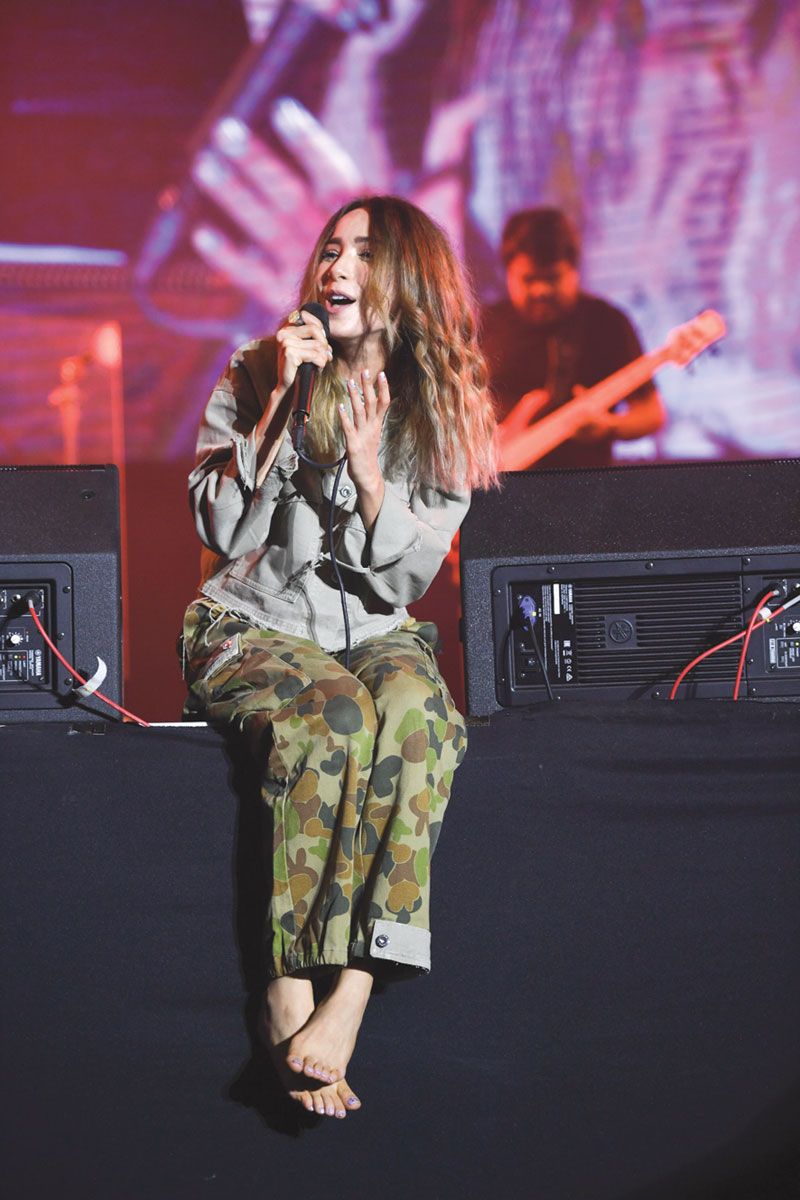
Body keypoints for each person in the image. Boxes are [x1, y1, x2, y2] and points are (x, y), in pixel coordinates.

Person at [180, 195, 496, 1120]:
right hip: (250, 623)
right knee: (334, 717)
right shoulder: (259, 367)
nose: (336, 266)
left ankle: (353, 988)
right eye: (329, 249)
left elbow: (406, 579)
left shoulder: (445, 403)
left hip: (374, 628)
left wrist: (366, 475)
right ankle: (288, 984)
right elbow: (216, 525)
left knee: (424, 719)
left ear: (407, 278)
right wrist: (285, 403)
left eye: (362, 252)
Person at [481, 207, 665, 470]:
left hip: (585, 483)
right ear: (508, 273)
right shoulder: (484, 324)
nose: (541, 290)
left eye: (552, 278)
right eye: (528, 279)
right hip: (501, 483)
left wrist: (609, 427)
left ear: (575, 271)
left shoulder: (607, 322)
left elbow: (652, 413)